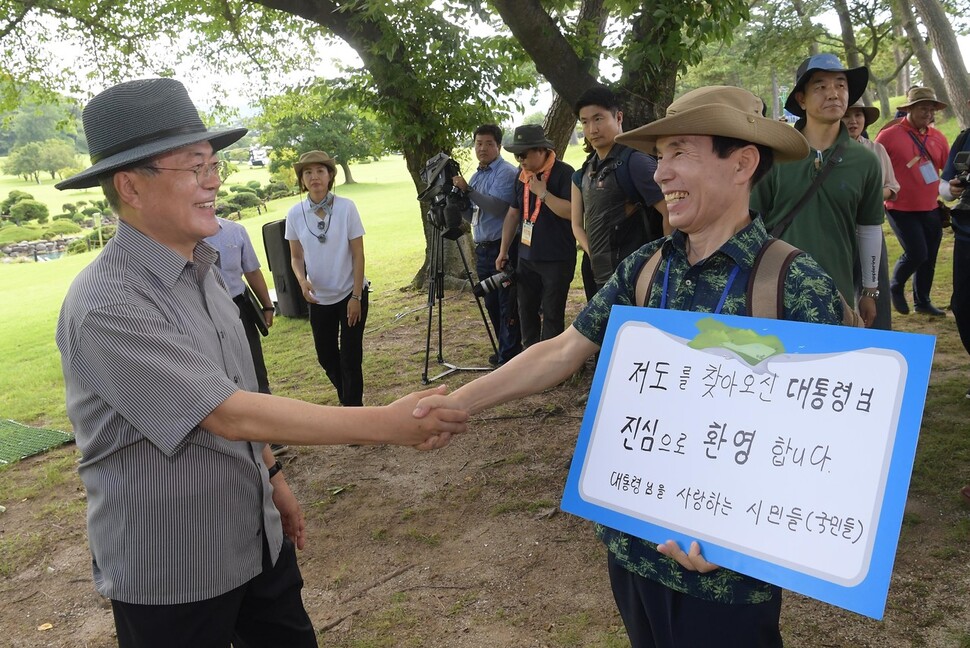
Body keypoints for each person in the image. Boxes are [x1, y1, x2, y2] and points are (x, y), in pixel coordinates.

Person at [416, 85, 843, 648]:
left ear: (741, 163)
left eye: (680, 154)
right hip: (632, 547)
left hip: (725, 580)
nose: (661, 174)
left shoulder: (796, 286)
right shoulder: (647, 268)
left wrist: (741, 538)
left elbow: (829, 445)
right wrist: (455, 404)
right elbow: (564, 350)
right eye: (659, 156)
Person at [54, 78, 467, 648]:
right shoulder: (108, 303)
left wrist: (272, 478)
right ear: (130, 185)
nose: (214, 180)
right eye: (194, 167)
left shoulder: (204, 271)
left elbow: (237, 391)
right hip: (172, 567)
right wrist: (385, 424)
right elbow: (226, 413)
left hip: (255, 536)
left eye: (212, 164)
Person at [751, 54, 885, 328]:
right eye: (821, 87)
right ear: (801, 99)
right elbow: (750, 221)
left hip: (838, 290)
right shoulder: (775, 156)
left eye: (840, 85)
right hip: (774, 287)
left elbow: (869, 228)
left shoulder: (866, 161)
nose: (833, 94)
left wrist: (870, 290)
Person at [286, 150, 369, 406]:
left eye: (320, 171)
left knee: (350, 357)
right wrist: (302, 280)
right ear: (302, 180)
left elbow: (358, 254)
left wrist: (356, 296)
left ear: (330, 175)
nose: (314, 177)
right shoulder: (295, 213)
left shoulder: (346, 207)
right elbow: (296, 257)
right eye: (308, 172)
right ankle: (348, 399)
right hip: (319, 299)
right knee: (326, 355)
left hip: (350, 294)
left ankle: (353, 414)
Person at [571, 85, 668, 298]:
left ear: (619, 117)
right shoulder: (588, 168)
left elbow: (670, 211)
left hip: (635, 277)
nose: (592, 130)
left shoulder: (636, 162)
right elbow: (578, 225)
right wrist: (593, 254)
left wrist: (666, 262)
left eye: (598, 119)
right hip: (601, 277)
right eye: (585, 122)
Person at [498, 125, 577, 347]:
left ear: (541, 150)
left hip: (556, 258)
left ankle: (551, 366)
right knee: (526, 312)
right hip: (526, 257)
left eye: (524, 153)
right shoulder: (522, 176)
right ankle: (529, 359)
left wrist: (543, 193)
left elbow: (572, 212)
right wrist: (504, 250)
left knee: (552, 314)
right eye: (516, 154)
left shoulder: (564, 173)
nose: (520, 159)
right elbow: (513, 213)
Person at [876, 87, 950, 316]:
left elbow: (947, 171)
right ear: (909, 109)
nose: (927, 113)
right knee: (917, 253)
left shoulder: (937, 137)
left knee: (929, 258)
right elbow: (874, 166)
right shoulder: (889, 135)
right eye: (922, 108)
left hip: (930, 207)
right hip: (899, 207)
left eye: (931, 109)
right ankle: (895, 285)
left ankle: (923, 302)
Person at [452, 124, 522, 365]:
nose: (482, 149)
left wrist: (468, 190)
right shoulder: (476, 175)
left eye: (488, 144)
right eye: (478, 144)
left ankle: (509, 356)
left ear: (499, 146)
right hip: (482, 247)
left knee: (506, 303)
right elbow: (474, 216)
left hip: (503, 247)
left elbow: (499, 207)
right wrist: (460, 204)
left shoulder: (505, 172)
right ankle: (506, 348)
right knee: (491, 301)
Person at [842, 98, 900, 330]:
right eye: (848, 115)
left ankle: (879, 339)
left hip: (871, 230)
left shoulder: (876, 150)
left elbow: (892, 188)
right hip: (839, 233)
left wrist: (870, 194)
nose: (853, 121)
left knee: (875, 291)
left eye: (858, 115)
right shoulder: (826, 152)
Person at [205, 216, 276, 394]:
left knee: (255, 365)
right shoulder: (181, 235)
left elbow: (251, 271)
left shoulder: (235, 230)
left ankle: (264, 410)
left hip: (239, 308)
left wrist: (267, 306)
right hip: (206, 313)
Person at [940, 102, 970, 398]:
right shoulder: (963, 138)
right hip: (966, 236)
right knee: (962, 305)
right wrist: (951, 188)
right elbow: (944, 186)